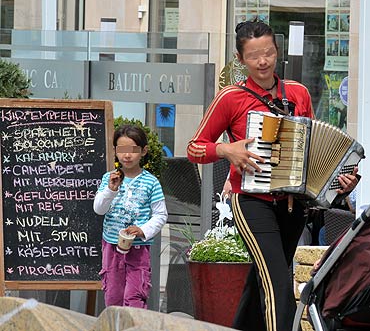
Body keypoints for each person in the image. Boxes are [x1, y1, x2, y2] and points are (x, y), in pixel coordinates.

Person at [187, 19, 358, 331]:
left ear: (277, 51)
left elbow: (313, 150)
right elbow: (195, 148)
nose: (262, 61)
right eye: (254, 56)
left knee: (260, 281)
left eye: (268, 52)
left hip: (294, 206)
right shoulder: (230, 97)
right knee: (279, 284)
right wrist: (228, 151)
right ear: (240, 59)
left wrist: (339, 182)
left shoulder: (299, 93)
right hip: (251, 200)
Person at [94, 124, 168, 308]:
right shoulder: (109, 178)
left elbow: (160, 214)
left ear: (143, 151)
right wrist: (111, 191)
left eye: (133, 150)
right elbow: (99, 209)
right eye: (122, 150)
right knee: (113, 296)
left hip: (138, 249)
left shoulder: (151, 182)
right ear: (115, 151)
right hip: (111, 246)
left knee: (135, 296)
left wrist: (143, 230)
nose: (127, 155)